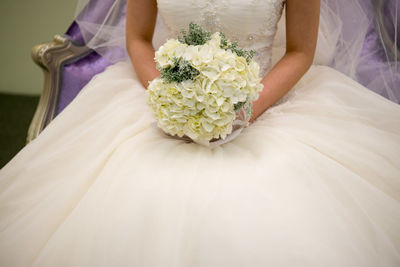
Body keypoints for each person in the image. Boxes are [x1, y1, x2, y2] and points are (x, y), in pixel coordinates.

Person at [1, 0, 399, 266]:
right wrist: (169, 97)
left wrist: (245, 111)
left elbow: (300, 51)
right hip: (161, 92)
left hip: (263, 100)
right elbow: (138, 39)